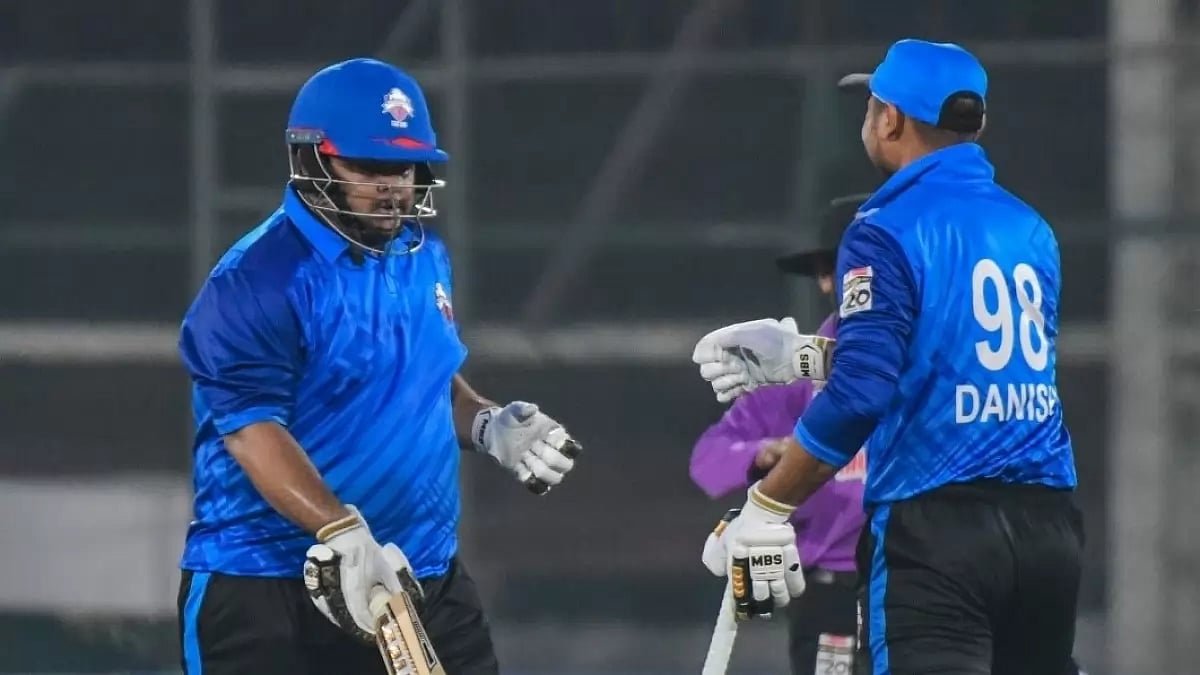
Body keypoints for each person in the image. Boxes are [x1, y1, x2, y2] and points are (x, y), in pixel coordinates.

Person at [175, 57, 582, 675]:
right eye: (369, 167)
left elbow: (425, 380)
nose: (392, 186)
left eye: (404, 168)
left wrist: (488, 424)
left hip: (422, 577)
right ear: (311, 160)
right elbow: (252, 431)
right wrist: (339, 531)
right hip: (268, 588)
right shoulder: (256, 279)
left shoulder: (422, 255)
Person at [690, 39, 1084, 675]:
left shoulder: (885, 227)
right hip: (1048, 530)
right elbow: (955, 357)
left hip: (937, 530)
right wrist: (807, 357)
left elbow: (860, 398)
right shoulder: (1028, 227)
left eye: (871, 106)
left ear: (891, 120)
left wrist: (768, 505)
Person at [688, 194, 870, 675]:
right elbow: (709, 458)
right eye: (829, 270)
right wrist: (768, 453)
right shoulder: (790, 371)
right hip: (836, 587)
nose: (832, 281)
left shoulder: (936, 358)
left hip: (925, 575)